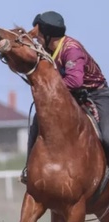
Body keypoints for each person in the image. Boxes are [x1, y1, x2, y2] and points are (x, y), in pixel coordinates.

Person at [20, 10, 109, 184]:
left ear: (48, 35)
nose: (36, 38)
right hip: (69, 96)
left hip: (97, 95)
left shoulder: (72, 50)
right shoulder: (45, 50)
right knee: (38, 122)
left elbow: (75, 81)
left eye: (38, 34)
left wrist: (48, 90)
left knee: (107, 135)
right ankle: (29, 169)